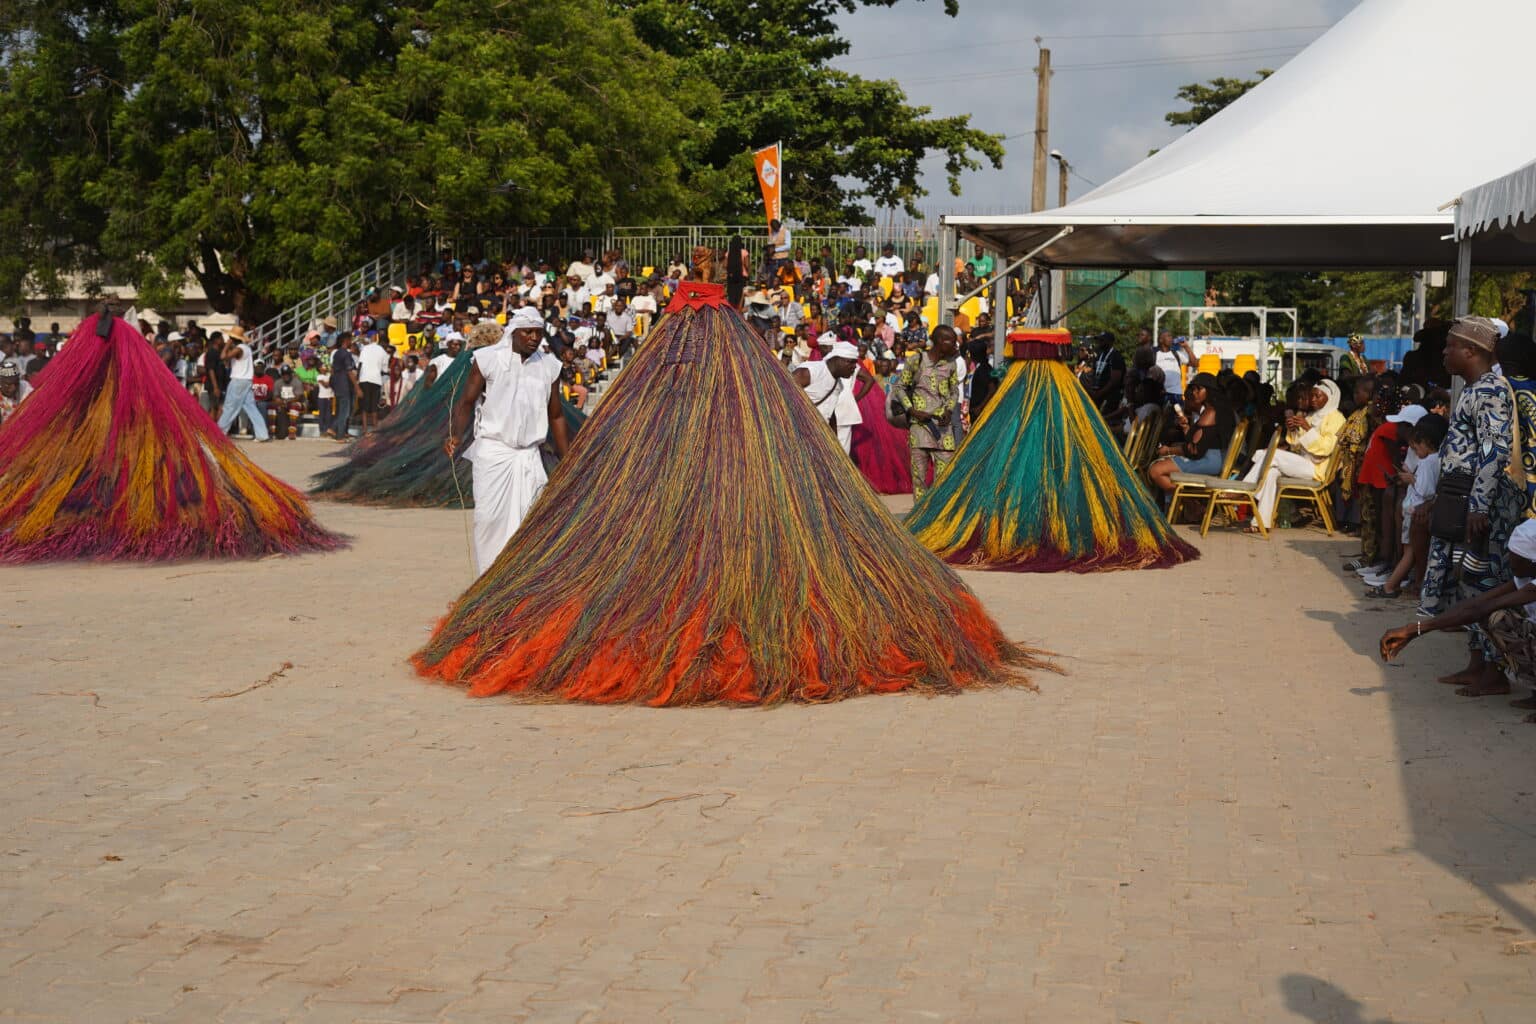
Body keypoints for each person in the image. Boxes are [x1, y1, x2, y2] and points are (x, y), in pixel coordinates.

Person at [1418, 316, 1527, 695]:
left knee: (1483, 580)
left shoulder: (1491, 391)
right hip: (1462, 497)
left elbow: (1494, 453)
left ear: (1471, 351)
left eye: (1450, 346)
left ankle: (1494, 673)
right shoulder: (1473, 389)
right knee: (1469, 582)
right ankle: (1476, 664)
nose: (1444, 352)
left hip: (1484, 507)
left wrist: (1478, 507)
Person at [445, 306, 571, 575]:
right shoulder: (487, 359)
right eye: (527, 332)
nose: (534, 338)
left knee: (530, 522)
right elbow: (467, 402)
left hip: (529, 455)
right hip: (493, 451)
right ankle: (487, 581)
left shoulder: (549, 366)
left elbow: (557, 415)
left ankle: (517, 584)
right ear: (513, 332)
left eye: (538, 333)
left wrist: (567, 457)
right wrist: (456, 434)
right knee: (489, 519)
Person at [1382, 518, 1536, 719]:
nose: (1510, 562)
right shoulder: (1525, 577)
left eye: (1516, 559)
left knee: (1498, 618)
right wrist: (1415, 629)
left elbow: (1482, 609)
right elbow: (1475, 605)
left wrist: (1414, 630)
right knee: (1491, 617)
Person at [1237, 378, 1344, 531]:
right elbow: (1295, 445)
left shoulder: (1336, 418)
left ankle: (1245, 490)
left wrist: (1307, 428)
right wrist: (1293, 430)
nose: (1313, 399)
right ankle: (1260, 523)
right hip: (1304, 461)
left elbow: (1326, 448)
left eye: (1318, 396)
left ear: (1330, 398)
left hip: (1318, 468)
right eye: (1312, 395)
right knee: (1270, 471)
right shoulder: (1314, 415)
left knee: (1270, 455)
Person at [1365, 414, 1445, 599]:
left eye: (1417, 446)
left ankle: (1390, 586)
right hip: (1413, 510)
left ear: (1427, 443)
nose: (1415, 450)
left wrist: (1411, 480)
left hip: (1414, 511)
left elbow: (1426, 490)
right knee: (1413, 553)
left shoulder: (1426, 463)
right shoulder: (1435, 460)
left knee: (1409, 553)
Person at [897, 324, 961, 497]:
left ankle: (939, 517)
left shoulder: (951, 364)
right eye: (951, 342)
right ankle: (921, 519)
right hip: (920, 428)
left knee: (945, 478)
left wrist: (948, 410)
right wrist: (911, 410)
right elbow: (900, 388)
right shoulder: (916, 360)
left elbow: (954, 390)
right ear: (940, 341)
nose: (955, 346)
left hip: (943, 429)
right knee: (920, 480)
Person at [1147, 373, 1235, 494]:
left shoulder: (1211, 413)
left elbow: (1194, 450)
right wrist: (1186, 428)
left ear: (1209, 391)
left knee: (1156, 471)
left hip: (1210, 460)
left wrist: (1169, 451)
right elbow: (1197, 441)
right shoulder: (1215, 410)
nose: (1194, 392)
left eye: (1199, 389)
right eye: (1194, 389)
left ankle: (1192, 505)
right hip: (1214, 457)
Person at [794, 340, 862, 453]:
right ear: (837, 359)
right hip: (797, 436)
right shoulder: (810, 372)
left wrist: (834, 443)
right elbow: (781, 397)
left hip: (817, 438)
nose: (854, 367)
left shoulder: (839, 384)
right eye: (851, 362)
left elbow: (830, 412)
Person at [215, 327, 271, 442]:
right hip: (246, 381)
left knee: (229, 407)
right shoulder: (246, 348)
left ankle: (220, 432)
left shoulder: (239, 349)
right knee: (251, 408)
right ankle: (262, 434)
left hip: (238, 381)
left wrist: (226, 345)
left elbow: (223, 357)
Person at [1084, 332, 1125, 414]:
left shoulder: (1116, 356)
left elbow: (1115, 380)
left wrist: (1100, 393)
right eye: (1098, 340)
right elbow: (1094, 373)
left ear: (1110, 342)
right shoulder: (1099, 355)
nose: (1099, 342)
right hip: (1097, 395)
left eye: (1102, 340)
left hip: (1109, 397)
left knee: (1104, 421)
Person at [356, 330, 389, 432]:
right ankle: (375, 429)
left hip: (364, 379)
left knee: (364, 407)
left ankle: (365, 429)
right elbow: (385, 370)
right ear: (377, 337)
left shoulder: (364, 349)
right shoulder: (383, 351)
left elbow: (359, 365)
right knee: (374, 406)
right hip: (376, 380)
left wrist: (357, 380)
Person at [330, 332, 360, 441]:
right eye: (349, 340)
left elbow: (333, 369)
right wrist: (357, 387)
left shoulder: (337, 353)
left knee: (343, 409)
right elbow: (349, 371)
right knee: (345, 411)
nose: (351, 342)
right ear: (345, 341)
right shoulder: (346, 354)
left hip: (338, 384)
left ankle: (338, 430)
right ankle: (338, 434)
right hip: (345, 385)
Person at [1154, 331, 1191, 403]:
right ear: (1161, 340)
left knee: (1179, 414)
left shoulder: (1177, 354)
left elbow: (1195, 363)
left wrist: (1186, 347)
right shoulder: (1154, 355)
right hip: (1160, 394)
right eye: (1168, 336)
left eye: (1171, 336)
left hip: (1177, 394)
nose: (1171, 338)